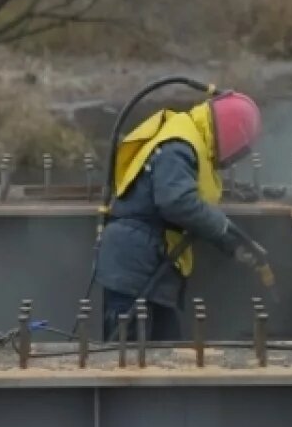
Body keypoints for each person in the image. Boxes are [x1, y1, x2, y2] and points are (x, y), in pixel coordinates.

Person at [94, 90, 262, 341]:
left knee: (165, 355)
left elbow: (190, 208)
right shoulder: (179, 145)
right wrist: (226, 231)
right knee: (125, 361)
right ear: (230, 137)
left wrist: (235, 244)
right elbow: (177, 202)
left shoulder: (190, 141)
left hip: (148, 268)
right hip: (133, 269)